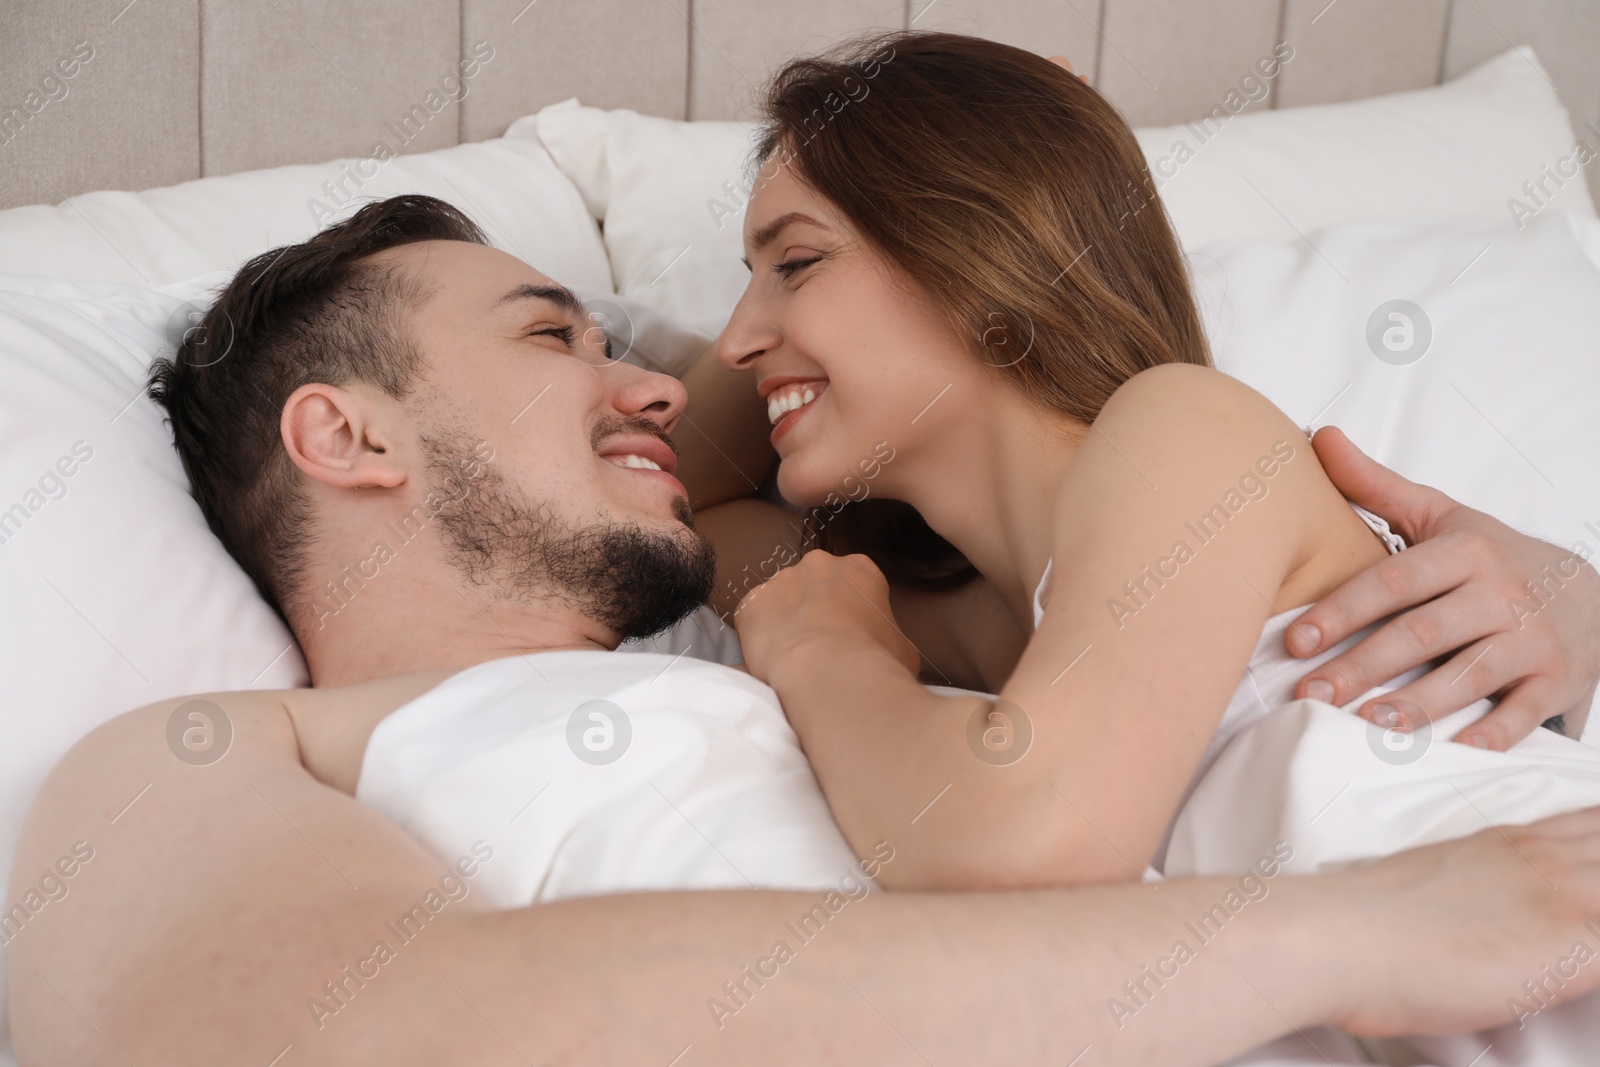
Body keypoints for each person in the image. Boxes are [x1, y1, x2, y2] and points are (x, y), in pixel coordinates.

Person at [12, 197, 1600, 1067]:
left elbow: (854, 408)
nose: (648, 380)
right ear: (348, 439)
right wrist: (1376, 932)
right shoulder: (207, 757)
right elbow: (368, 1034)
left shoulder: (844, 635)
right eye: (549, 334)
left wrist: (1569, 600)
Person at [711, 32, 1600, 898]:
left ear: (976, 247)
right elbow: (682, 504)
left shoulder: (1183, 428)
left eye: (795, 261)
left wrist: (821, 655)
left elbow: (1029, 843)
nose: (736, 341)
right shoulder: (976, 620)